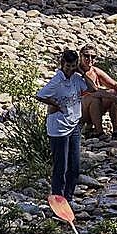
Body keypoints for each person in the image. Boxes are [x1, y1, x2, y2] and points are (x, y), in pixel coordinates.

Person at [36, 48, 88, 205]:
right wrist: (55, 104)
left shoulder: (76, 78)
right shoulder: (57, 81)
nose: (70, 70)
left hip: (74, 125)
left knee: (75, 166)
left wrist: (82, 72)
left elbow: (92, 89)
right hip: (59, 128)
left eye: (73, 66)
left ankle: (69, 198)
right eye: (68, 67)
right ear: (62, 64)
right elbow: (40, 95)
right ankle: (58, 199)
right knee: (61, 167)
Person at [78, 45, 117, 140]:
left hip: (93, 108)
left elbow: (115, 85)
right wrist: (112, 97)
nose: (90, 59)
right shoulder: (76, 72)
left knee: (114, 92)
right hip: (80, 111)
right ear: (81, 56)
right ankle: (99, 131)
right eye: (86, 56)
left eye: (93, 57)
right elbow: (93, 90)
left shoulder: (95, 71)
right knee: (94, 98)